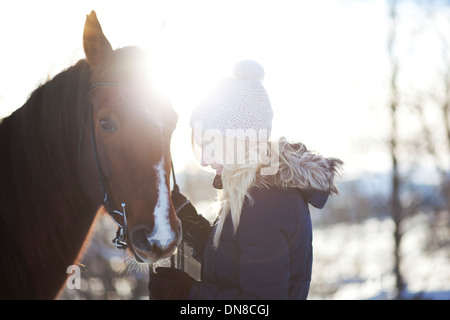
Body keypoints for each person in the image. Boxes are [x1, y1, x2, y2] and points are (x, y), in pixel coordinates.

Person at [148, 60, 343, 300]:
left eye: (211, 146)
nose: (204, 162)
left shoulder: (266, 203)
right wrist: (187, 219)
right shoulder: (258, 191)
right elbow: (235, 259)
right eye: (200, 147)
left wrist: (187, 293)